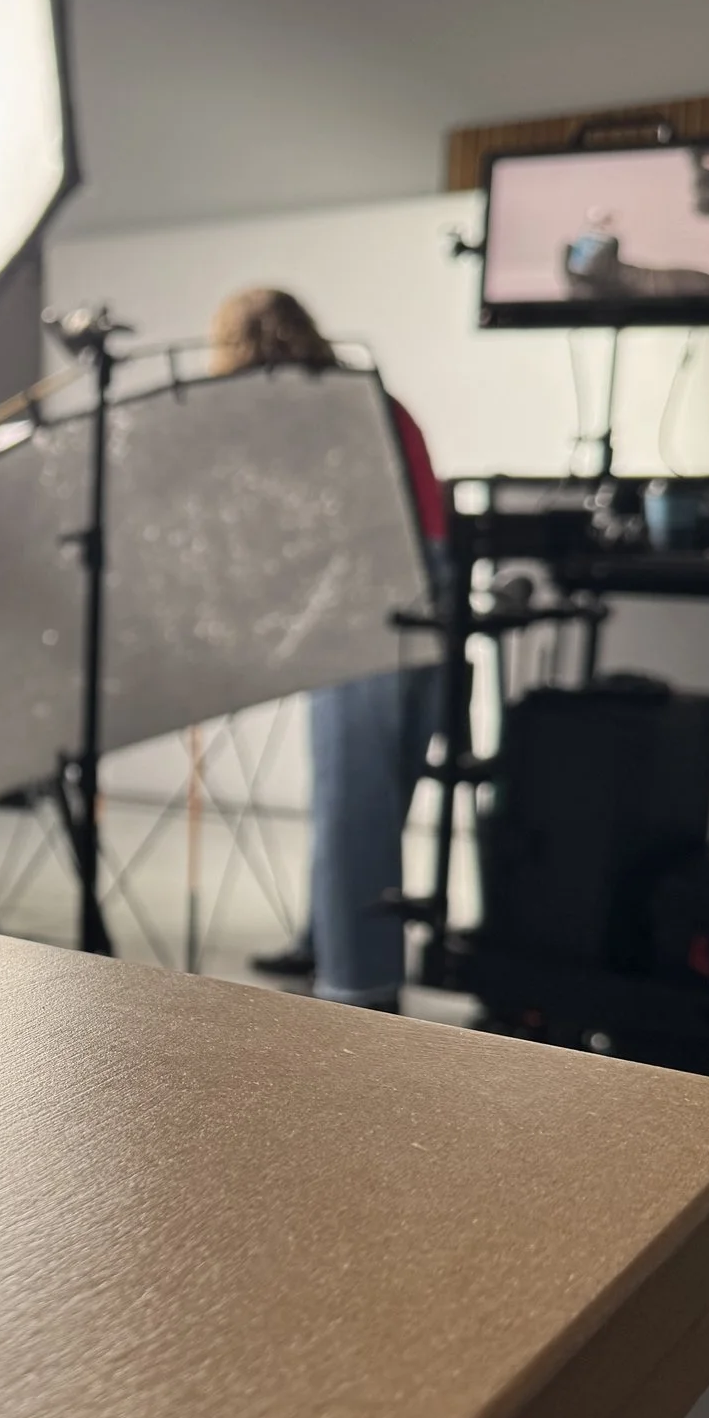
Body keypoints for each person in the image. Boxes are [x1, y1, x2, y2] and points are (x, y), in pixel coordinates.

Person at [207, 289, 446, 1013]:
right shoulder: (372, 394)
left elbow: (281, 528)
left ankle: (358, 985)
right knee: (379, 787)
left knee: (354, 796)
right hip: (436, 582)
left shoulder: (292, 411)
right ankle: (323, 937)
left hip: (369, 593)